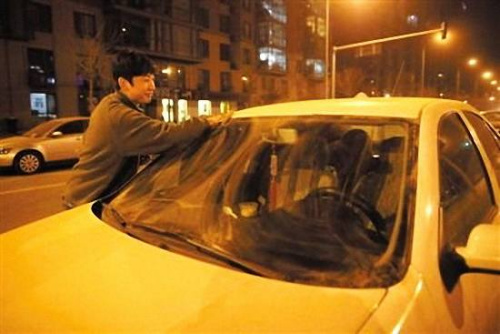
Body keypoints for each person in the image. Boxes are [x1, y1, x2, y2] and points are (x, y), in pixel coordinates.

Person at [63, 50, 226, 208]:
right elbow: (170, 135)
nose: (153, 86)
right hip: (86, 203)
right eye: (146, 80)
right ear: (124, 83)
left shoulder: (111, 103)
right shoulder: (120, 116)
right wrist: (208, 122)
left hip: (86, 198)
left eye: (153, 80)